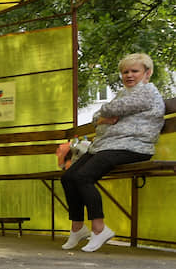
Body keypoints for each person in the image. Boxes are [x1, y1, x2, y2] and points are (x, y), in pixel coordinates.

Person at [60, 52, 164, 252]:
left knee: (83, 176)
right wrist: (103, 118)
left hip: (134, 147)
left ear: (147, 73)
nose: (129, 75)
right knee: (69, 176)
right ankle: (78, 227)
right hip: (108, 145)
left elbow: (111, 110)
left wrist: (106, 116)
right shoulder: (125, 93)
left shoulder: (147, 92)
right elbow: (98, 117)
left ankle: (99, 229)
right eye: (125, 72)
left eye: (135, 71)